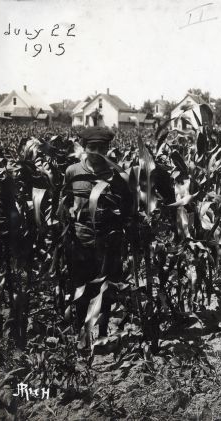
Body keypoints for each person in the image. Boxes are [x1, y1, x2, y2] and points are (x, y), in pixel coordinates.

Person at [62, 126, 126, 340]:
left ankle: (103, 332)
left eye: (102, 148)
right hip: (81, 241)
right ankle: (82, 331)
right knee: (81, 289)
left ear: (108, 148)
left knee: (106, 291)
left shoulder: (115, 174)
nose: (97, 152)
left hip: (108, 242)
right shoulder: (73, 171)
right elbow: (64, 202)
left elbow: (125, 207)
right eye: (92, 147)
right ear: (84, 147)